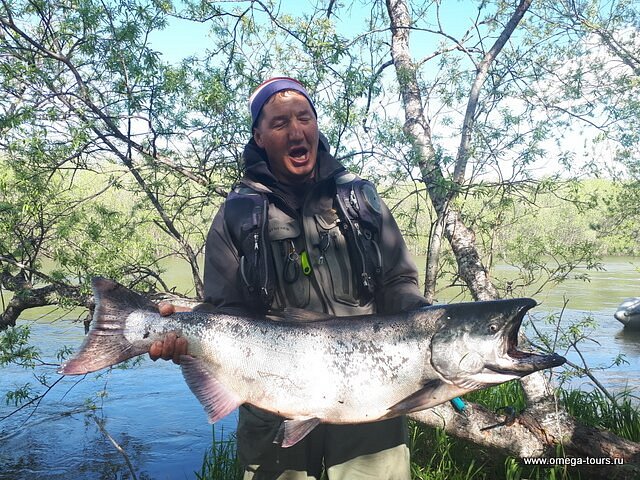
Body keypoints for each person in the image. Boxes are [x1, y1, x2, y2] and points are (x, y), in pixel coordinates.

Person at [150, 77, 429, 479]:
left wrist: (422, 323)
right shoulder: (236, 215)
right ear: (259, 136)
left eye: (305, 118)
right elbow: (228, 311)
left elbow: (399, 282)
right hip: (271, 398)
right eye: (280, 123)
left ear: (317, 125)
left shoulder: (359, 199)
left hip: (370, 400)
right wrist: (188, 340)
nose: (297, 131)